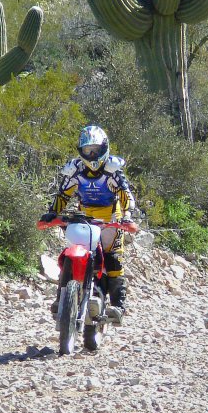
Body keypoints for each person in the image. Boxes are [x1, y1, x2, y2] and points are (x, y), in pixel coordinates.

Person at [40, 125, 137, 325]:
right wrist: (53, 213)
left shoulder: (112, 171)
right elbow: (63, 194)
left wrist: (126, 216)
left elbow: (125, 195)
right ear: (81, 151)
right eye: (87, 150)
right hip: (84, 216)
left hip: (111, 217)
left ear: (104, 148)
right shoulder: (75, 170)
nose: (91, 155)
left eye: (95, 149)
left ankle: (118, 306)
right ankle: (62, 298)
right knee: (72, 251)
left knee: (112, 258)